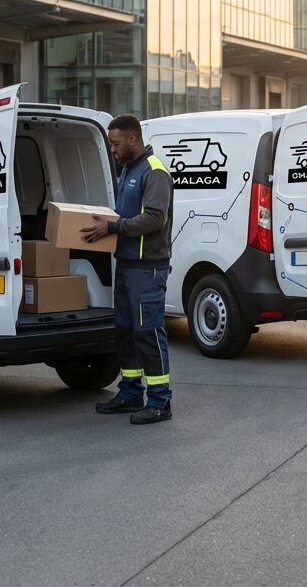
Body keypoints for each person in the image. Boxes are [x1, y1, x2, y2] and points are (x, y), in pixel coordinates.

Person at [81, 115, 176, 424]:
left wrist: (113, 226)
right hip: (126, 265)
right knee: (125, 331)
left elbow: (154, 219)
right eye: (110, 143)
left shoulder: (154, 172)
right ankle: (131, 393)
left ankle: (161, 401)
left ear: (133, 140)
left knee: (148, 332)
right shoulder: (129, 170)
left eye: (115, 143)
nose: (112, 149)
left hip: (148, 269)